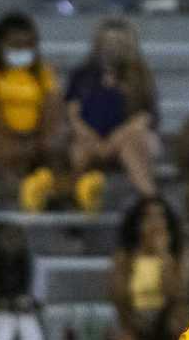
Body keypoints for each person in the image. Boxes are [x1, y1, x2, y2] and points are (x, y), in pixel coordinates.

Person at [0, 11, 66, 210]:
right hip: (0, 135)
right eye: (15, 45)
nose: (21, 50)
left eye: (27, 45)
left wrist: (36, 140)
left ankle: (60, 194)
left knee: (56, 146)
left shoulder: (43, 72)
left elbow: (51, 108)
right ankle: (23, 192)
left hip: (36, 135)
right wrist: (17, 143)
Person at [63, 18, 161, 205]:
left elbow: (145, 117)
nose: (112, 48)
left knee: (132, 148)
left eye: (118, 43)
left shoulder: (140, 75)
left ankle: (151, 201)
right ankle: (76, 203)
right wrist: (92, 139)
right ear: (98, 43)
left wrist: (113, 141)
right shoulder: (82, 75)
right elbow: (72, 113)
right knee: (78, 152)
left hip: (126, 137)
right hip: (90, 137)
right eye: (108, 42)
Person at [107, 195, 189, 340]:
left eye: (160, 217)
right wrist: (140, 323)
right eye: (148, 218)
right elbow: (119, 300)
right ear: (137, 224)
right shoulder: (125, 258)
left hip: (168, 320)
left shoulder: (178, 256)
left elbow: (178, 295)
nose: (155, 223)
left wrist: (164, 257)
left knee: (178, 324)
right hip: (134, 319)